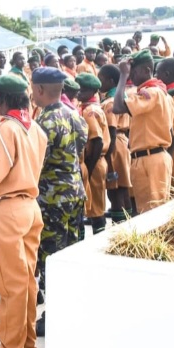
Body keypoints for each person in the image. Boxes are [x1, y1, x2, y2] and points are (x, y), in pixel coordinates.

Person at [0, 75, 46, 348]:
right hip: (30, 207)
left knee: (11, 286)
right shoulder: (35, 129)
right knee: (27, 281)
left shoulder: (5, 129)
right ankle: (27, 345)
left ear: (0, 100)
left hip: (6, 210)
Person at [30, 67, 86, 337]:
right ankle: (73, 306)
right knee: (72, 252)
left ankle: (53, 316)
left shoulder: (43, 123)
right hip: (75, 193)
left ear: (40, 90)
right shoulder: (75, 115)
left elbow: (37, 163)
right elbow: (82, 147)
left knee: (51, 257)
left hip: (52, 200)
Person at [113, 50, 174, 215]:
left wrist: (123, 76)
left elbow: (117, 107)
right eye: (129, 73)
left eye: (134, 72)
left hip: (151, 158)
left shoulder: (151, 92)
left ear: (147, 70)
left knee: (153, 216)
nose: (131, 76)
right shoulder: (158, 91)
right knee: (145, 213)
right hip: (148, 157)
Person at [76, 74, 110, 234]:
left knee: (96, 208)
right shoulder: (90, 107)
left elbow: (97, 141)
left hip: (94, 162)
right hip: (95, 161)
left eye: (82, 90)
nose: (78, 93)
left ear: (93, 91)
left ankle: (99, 239)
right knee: (94, 206)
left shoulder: (90, 111)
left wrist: (88, 167)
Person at [99, 64, 132, 223]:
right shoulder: (121, 96)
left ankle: (119, 225)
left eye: (102, 80)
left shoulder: (109, 102)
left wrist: (107, 155)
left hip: (114, 145)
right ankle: (127, 221)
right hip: (123, 141)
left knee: (115, 189)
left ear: (111, 81)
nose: (100, 83)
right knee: (124, 187)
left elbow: (111, 130)